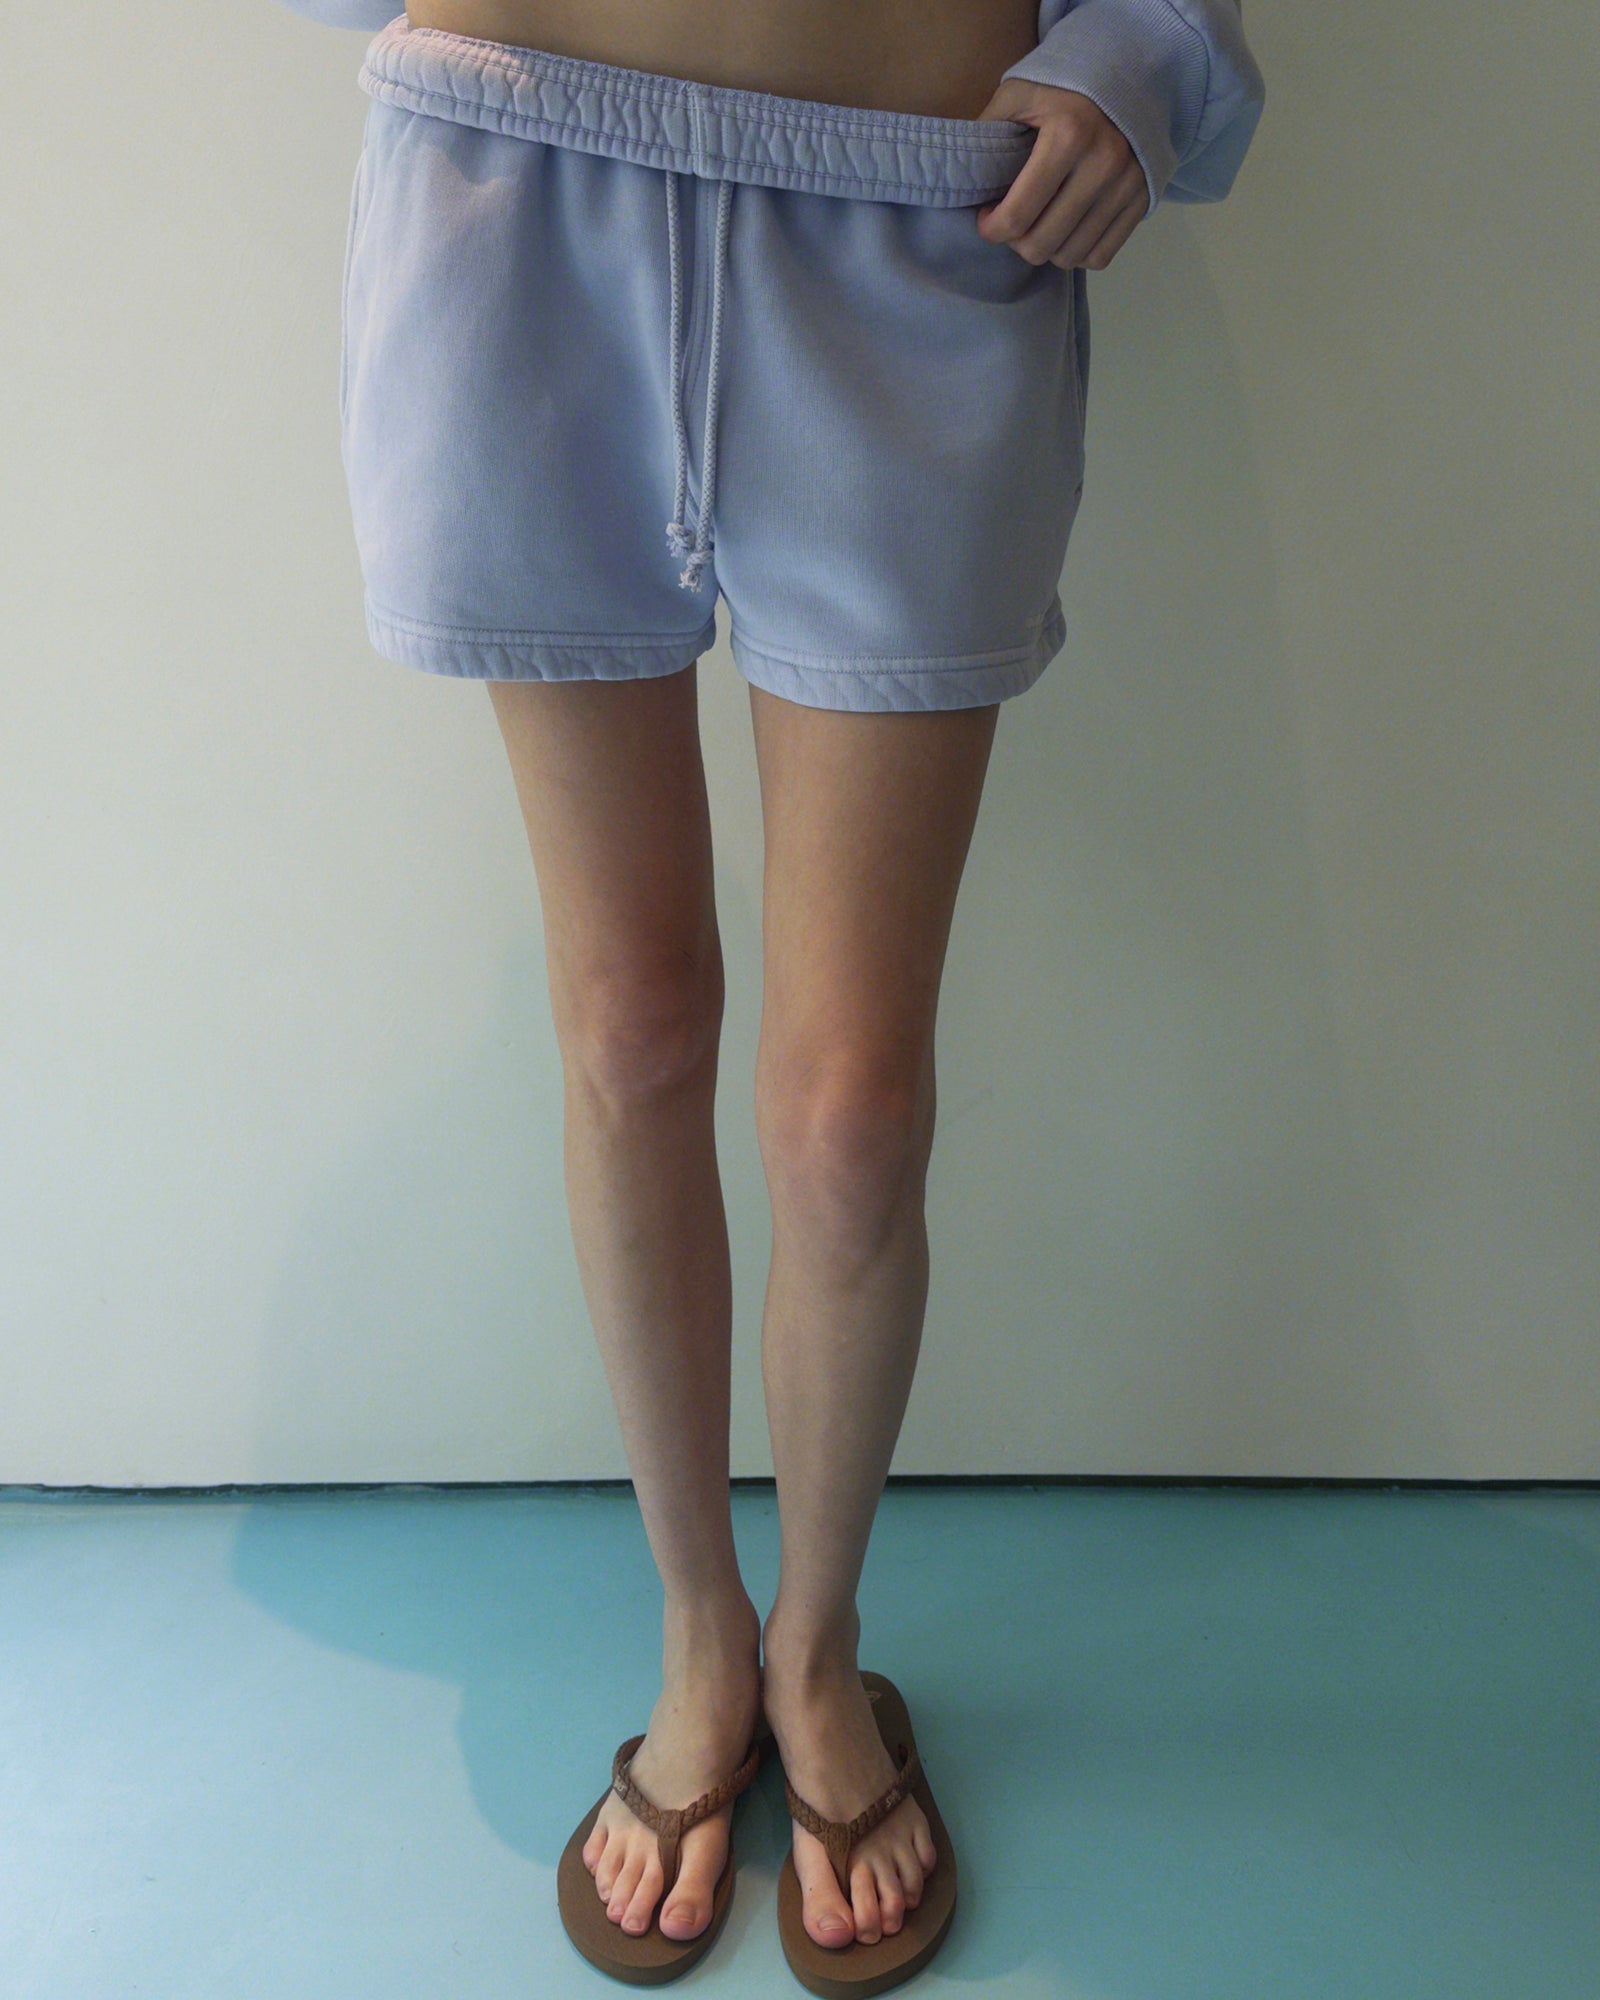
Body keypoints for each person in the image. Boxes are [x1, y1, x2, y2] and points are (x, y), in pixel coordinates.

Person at [278, 0, 1263, 1987]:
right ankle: (696, 1632)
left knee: (847, 1119)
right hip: (523, 188)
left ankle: (817, 1644)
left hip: (916, 226)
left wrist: (1139, 51)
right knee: (629, 1028)